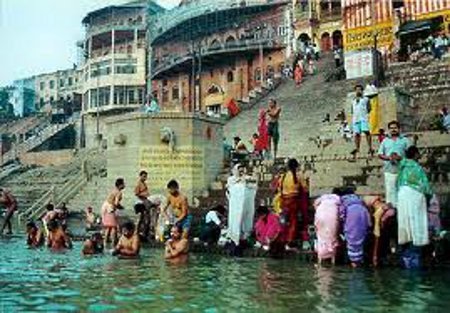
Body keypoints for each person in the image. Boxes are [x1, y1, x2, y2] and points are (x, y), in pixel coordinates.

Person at [397, 146, 433, 268]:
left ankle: (406, 261)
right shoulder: (418, 168)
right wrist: (428, 200)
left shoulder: (402, 167)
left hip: (402, 196)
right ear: (416, 154)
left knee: (405, 228)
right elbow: (427, 189)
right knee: (417, 228)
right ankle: (414, 263)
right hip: (415, 196)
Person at [377, 121, 411, 208]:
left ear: (399, 129)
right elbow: (380, 154)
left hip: (403, 170)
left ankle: (403, 209)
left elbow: (411, 154)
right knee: (390, 192)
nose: (393, 130)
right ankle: (392, 213)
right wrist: (389, 158)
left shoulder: (405, 140)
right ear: (389, 130)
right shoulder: (385, 141)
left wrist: (400, 158)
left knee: (403, 191)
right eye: (391, 128)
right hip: (389, 171)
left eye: (395, 128)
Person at [279, 158, 309, 251]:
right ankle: (289, 242)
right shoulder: (298, 175)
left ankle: (282, 241)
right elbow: (305, 189)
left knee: (284, 222)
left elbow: (279, 189)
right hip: (293, 201)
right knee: (293, 222)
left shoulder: (283, 176)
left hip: (284, 201)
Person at [338, 187, 371, 267]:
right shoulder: (359, 200)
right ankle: (359, 260)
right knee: (360, 239)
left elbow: (341, 216)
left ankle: (354, 261)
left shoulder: (343, 201)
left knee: (352, 240)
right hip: (362, 215)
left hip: (351, 220)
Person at [313, 191, 341, 266]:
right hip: (332, 216)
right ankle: (332, 260)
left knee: (320, 236)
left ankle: (320, 260)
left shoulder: (322, 198)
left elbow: (315, 205)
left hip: (320, 214)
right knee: (332, 236)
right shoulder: (338, 199)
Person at [350, 84, 373, 158]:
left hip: (363, 118)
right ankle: (357, 148)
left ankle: (370, 147)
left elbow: (369, 108)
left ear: (362, 91)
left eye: (359, 89)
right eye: (356, 89)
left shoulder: (366, 99)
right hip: (356, 119)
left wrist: (365, 113)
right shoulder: (353, 100)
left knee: (366, 132)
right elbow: (352, 110)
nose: (358, 91)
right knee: (356, 134)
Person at [101, 178, 125, 246]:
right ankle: (113, 244)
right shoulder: (118, 192)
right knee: (114, 227)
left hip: (105, 207)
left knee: (108, 227)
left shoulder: (114, 190)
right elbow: (116, 203)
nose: (124, 185)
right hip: (110, 208)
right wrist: (121, 207)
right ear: (120, 185)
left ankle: (105, 243)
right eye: (123, 184)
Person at [134, 170, 153, 239]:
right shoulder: (138, 184)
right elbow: (136, 193)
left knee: (144, 218)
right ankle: (136, 232)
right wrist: (143, 194)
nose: (145, 178)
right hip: (140, 203)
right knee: (140, 218)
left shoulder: (144, 184)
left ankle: (143, 233)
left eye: (146, 176)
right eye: (144, 176)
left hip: (144, 202)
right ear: (140, 176)